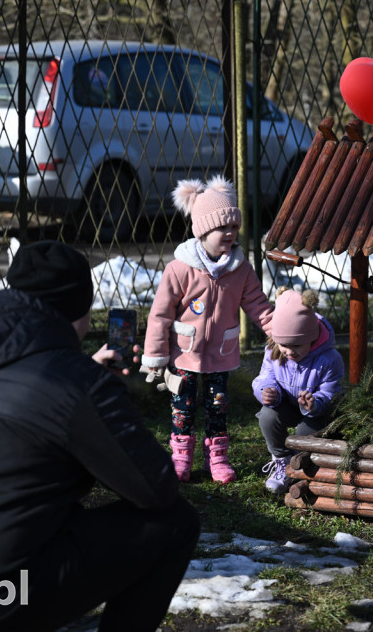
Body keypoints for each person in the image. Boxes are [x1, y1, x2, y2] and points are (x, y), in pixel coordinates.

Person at [0, 240, 200, 631]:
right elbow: (155, 487)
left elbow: (34, 396)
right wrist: (102, 394)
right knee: (176, 522)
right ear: (79, 311)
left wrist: (84, 376)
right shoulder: (78, 384)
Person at [142, 176, 273, 484]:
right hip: (184, 355)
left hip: (220, 355)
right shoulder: (179, 269)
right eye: (221, 228)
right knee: (183, 408)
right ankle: (181, 456)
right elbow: (160, 315)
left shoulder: (240, 269)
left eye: (233, 227)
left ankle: (218, 457)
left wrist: (281, 332)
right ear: (202, 230)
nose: (229, 233)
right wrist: (156, 354)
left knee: (218, 407)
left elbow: (258, 305)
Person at [252, 288, 345, 494]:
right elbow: (265, 377)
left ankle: (298, 464)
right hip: (285, 403)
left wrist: (315, 402)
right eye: (284, 344)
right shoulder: (274, 351)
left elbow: (332, 392)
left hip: (316, 412)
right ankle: (281, 460)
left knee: (305, 434)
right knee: (267, 416)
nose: (289, 351)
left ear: (311, 339)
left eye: (297, 345)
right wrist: (267, 391)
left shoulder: (329, 359)